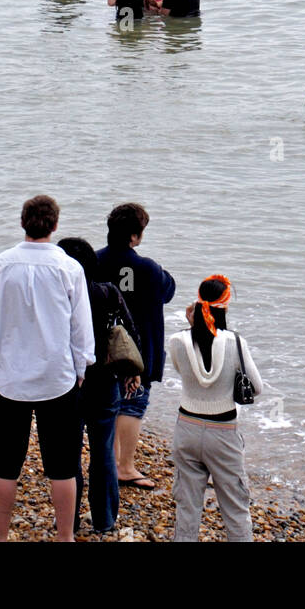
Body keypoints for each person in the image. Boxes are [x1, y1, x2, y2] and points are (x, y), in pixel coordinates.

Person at [0, 195, 95, 543]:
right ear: (55, 226)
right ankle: (64, 537)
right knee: (62, 466)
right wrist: (81, 368)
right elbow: (80, 328)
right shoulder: (69, 268)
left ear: (22, 222)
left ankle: (1, 536)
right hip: (56, 379)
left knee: (5, 466)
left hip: (8, 378)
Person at [168, 275, 262, 543]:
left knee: (187, 505)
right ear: (225, 306)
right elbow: (256, 388)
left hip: (186, 427)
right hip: (223, 433)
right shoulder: (236, 342)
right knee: (235, 506)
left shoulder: (177, 341)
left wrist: (192, 325)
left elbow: (185, 371)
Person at [58, 237, 142, 537]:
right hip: (105, 382)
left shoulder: (59, 295)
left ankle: (68, 519)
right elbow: (130, 331)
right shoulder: (108, 291)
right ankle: (104, 519)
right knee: (103, 451)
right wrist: (133, 371)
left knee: (68, 453)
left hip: (67, 382)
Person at [96, 203, 175, 490]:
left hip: (101, 348)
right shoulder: (149, 268)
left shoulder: (94, 261)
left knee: (109, 403)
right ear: (135, 236)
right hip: (138, 351)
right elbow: (169, 290)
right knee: (132, 405)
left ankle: (109, 462)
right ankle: (124, 467)